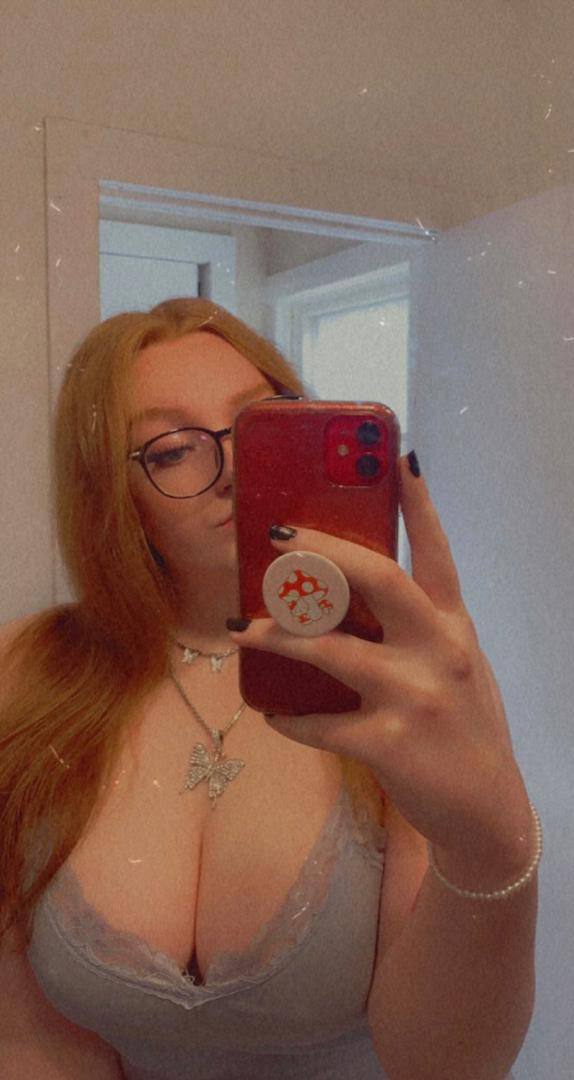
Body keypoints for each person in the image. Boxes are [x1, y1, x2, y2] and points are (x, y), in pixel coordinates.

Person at [0, 298, 539, 1079]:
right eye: (172, 449)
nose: (234, 472)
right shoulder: (25, 671)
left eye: (260, 427)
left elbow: (442, 1064)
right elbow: (31, 1039)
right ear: (108, 492)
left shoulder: (395, 679)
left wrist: (488, 845)